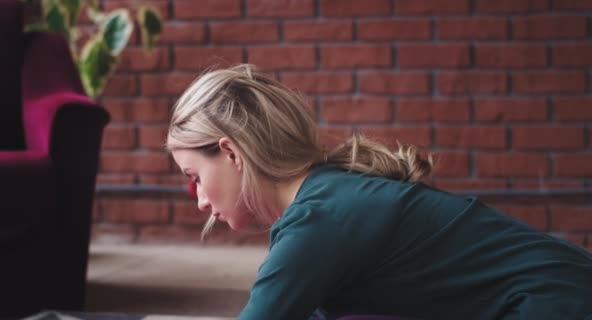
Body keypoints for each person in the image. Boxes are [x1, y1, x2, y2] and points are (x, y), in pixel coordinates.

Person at [165, 64, 592, 320]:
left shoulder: (317, 220)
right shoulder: (326, 198)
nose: (200, 200)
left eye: (195, 176)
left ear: (231, 152)